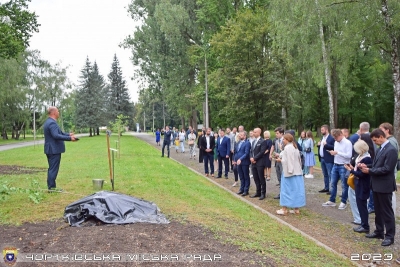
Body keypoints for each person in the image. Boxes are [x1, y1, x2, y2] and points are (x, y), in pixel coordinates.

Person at [360, 129, 397, 246]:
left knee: (387, 211)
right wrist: (367, 165)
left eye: (376, 140)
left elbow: (387, 169)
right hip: (376, 185)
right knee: (378, 211)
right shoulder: (381, 148)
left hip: (385, 185)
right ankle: (379, 231)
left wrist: (369, 171)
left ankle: (390, 236)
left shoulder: (391, 150)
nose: (375, 142)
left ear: (381, 137)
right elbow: (377, 164)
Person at [43, 106, 76, 191]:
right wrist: (70, 139)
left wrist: (69, 134)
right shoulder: (52, 123)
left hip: (51, 149)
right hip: (53, 150)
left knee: (52, 168)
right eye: (57, 111)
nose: (59, 113)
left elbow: (60, 133)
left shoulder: (49, 122)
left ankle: (51, 187)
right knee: (53, 169)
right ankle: (52, 188)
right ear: (54, 113)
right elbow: (56, 135)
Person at [344, 140, 372, 233]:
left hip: (363, 183)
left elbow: (362, 174)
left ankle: (365, 225)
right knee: (359, 204)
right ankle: (363, 223)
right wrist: (352, 168)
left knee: (362, 205)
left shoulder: (367, 158)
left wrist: (350, 170)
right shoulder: (360, 156)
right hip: (358, 182)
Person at [275, 133, 306, 215]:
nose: (283, 141)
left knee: (286, 190)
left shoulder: (288, 147)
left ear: (288, 140)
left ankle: (284, 209)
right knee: (296, 190)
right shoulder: (294, 147)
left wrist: (280, 161)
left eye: (284, 139)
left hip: (290, 173)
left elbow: (289, 160)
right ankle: (296, 209)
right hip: (297, 172)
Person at [322, 129, 352, 209]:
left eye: (336, 138)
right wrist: (333, 153)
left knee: (344, 184)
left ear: (340, 135)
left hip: (344, 165)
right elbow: (336, 152)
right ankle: (332, 200)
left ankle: (343, 201)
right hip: (336, 164)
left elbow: (349, 155)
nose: (335, 139)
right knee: (332, 182)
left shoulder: (347, 143)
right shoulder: (336, 142)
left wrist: (337, 153)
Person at [250, 128, 268, 200]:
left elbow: (262, 152)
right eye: (253, 132)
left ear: (259, 133)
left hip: (259, 162)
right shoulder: (254, 141)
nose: (253, 133)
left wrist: (255, 158)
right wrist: (251, 158)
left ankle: (263, 193)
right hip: (253, 162)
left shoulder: (263, 141)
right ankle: (258, 192)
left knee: (261, 178)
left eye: (255, 132)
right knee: (255, 178)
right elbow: (251, 151)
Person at [317, 125, 335, 193]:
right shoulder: (322, 138)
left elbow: (334, 147)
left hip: (329, 158)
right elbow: (322, 147)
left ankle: (331, 189)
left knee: (330, 174)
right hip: (322, 158)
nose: (321, 131)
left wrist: (326, 145)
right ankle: (326, 187)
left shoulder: (331, 138)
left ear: (326, 130)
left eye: (322, 130)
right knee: (325, 174)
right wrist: (319, 145)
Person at [234, 131, 251, 196]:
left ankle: (246, 190)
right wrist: (235, 160)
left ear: (244, 136)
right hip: (238, 162)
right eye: (239, 135)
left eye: (241, 135)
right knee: (241, 176)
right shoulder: (238, 142)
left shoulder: (247, 143)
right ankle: (241, 188)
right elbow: (236, 152)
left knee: (246, 176)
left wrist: (240, 159)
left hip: (244, 162)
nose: (239, 136)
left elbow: (246, 153)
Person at [270, 127, 284, 199]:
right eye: (275, 133)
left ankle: (284, 193)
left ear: (282, 133)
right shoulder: (276, 140)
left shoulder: (285, 141)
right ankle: (281, 192)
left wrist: (280, 154)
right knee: (279, 177)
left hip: (283, 161)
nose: (276, 135)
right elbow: (274, 148)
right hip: (277, 161)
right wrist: (273, 154)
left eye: (277, 133)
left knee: (283, 176)